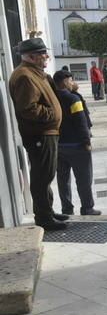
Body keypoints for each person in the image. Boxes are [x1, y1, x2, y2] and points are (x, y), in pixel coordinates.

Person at [9, 38, 69, 231]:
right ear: (32, 56)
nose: (47, 57)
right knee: (42, 176)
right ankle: (44, 218)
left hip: (46, 132)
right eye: (43, 54)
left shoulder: (37, 73)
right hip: (40, 134)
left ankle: (48, 212)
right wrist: (52, 115)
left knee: (47, 174)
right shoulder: (25, 76)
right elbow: (28, 108)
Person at [52, 69, 101, 216]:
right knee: (84, 179)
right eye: (71, 80)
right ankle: (87, 208)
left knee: (63, 181)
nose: (73, 83)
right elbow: (81, 121)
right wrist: (86, 141)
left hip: (58, 146)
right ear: (65, 81)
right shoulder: (73, 99)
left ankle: (67, 209)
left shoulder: (51, 97)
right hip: (77, 146)